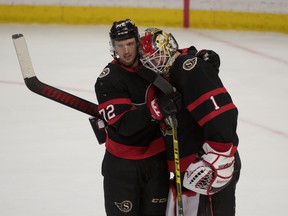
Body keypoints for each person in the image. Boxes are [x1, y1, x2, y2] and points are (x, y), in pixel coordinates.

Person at [139, 28, 241, 216]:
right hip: (193, 168)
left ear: (168, 49)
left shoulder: (186, 67)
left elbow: (221, 112)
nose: (153, 64)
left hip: (211, 166)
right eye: (149, 61)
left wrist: (219, 156)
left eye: (156, 57)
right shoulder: (171, 72)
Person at [94, 19, 183, 216]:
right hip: (122, 167)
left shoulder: (152, 62)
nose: (126, 51)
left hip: (156, 163)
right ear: (113, 47)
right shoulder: (108, 80)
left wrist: (196, 55)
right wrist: (157, 108)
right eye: (120, 45)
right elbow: (124, 125)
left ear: (137, 42)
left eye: (130, 44)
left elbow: (172, 54)